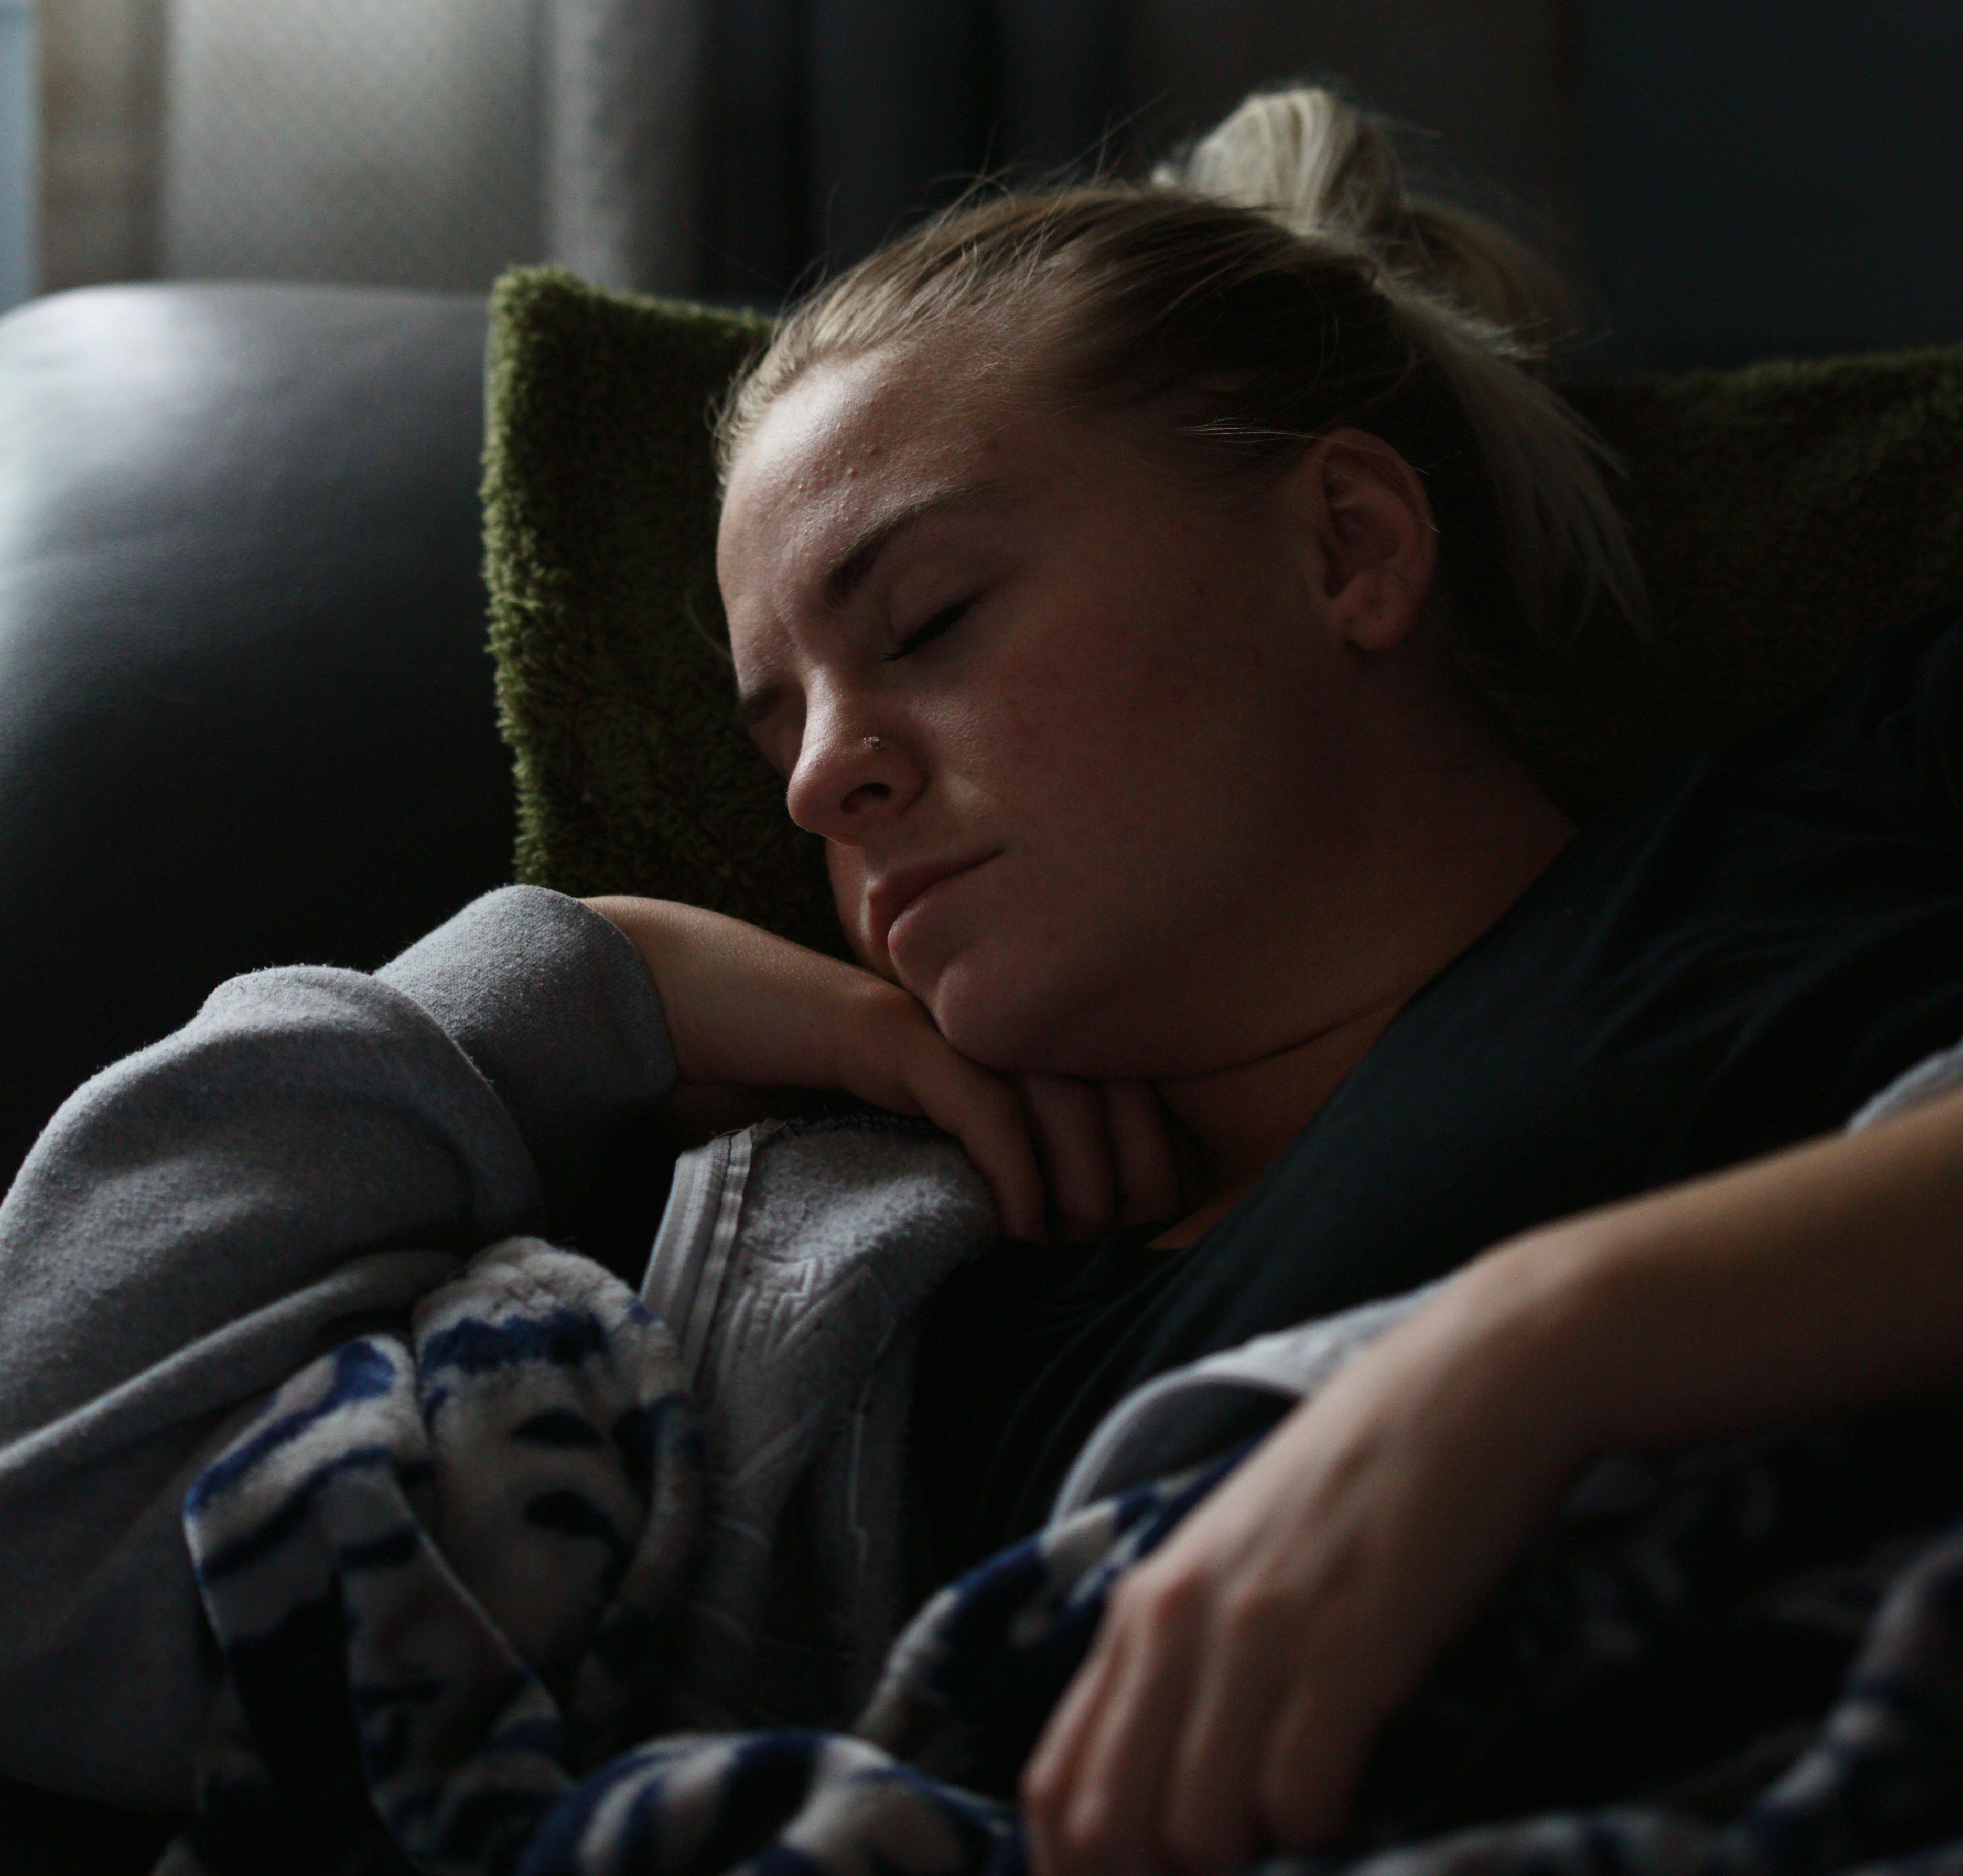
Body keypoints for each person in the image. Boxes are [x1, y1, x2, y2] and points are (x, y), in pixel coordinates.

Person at [6, 79, 1963, 1876]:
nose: (813, 774)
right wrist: (592, 978)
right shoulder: (873, 1311)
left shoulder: (1826, 825)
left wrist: (1535, 1353)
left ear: (1348, 546)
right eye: (777, 720)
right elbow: (48, 1519)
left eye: (925, 618)